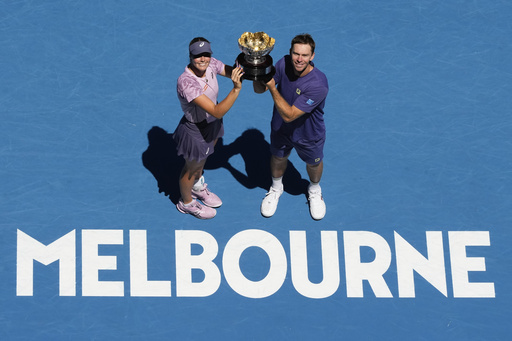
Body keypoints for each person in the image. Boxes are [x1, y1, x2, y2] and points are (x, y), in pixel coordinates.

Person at [254, 33, 329, 220]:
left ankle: (314, 189)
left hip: (309, 134)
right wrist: (256, 69)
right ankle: (276, 187)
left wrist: (272, 87)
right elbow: (259, 89)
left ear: (312, 56)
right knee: (278, 158)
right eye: (296, 54)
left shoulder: (318, 84)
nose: (299, 59)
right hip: (281, 129)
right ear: (290, 52)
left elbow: (290, 115)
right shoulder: (283, 63)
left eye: (304, 55)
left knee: (313, 164)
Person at [174, 37, 244, 219]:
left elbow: (231, 71)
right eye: (198, 56)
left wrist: (246, 61)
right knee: (191, 168)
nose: (203, 59)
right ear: (190, 56)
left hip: (212, 124)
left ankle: (197, 186)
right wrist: (236, 89)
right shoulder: (186, 82)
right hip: (196, 130)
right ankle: (186, 203)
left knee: (203, 160)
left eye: (206, 54)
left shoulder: (211, 64)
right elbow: (216, 111)